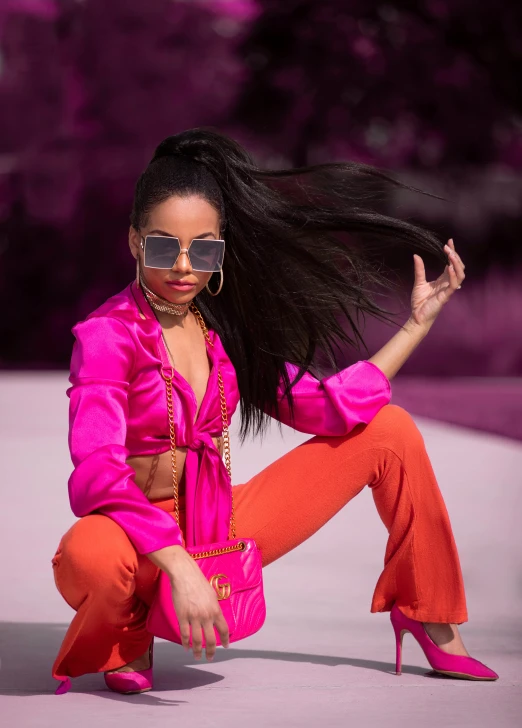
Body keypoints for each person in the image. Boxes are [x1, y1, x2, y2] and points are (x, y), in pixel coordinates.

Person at [51, 127, 498, 695]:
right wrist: (179, 565)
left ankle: (429, 614)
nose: (184, 266)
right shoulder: (107, 336)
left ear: (220, 250)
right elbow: (95, 472)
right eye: (164, 246)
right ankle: (129, 631)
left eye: (203, 249)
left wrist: (415, 326)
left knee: (389, 431)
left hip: (216, 522)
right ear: (135, 242)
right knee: (89, 554)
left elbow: (329, 406)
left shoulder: (224, 333)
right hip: (135, 533)